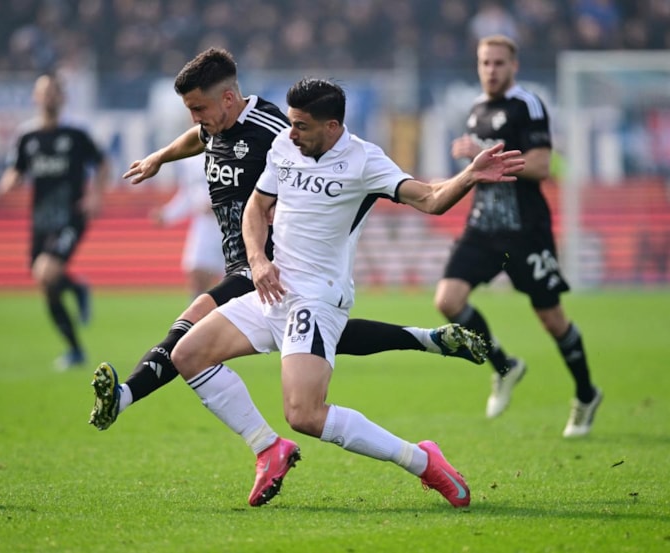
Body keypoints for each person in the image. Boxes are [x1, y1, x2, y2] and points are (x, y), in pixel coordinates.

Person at [167, 77, 525, 508]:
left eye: (302, 126)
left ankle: (424, 461)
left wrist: (469, 175)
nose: (291, 133)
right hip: (273, 290)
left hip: (316, 299)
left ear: (332, 126)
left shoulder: (364, 161)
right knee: (187, 355)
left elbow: (431, 198)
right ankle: (267, 447)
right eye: (291, 123)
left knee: (304, 414)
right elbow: (256, 208)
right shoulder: (283, 147)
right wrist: (258, 261)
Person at [88, 48, 488, 432]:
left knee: (188, 331)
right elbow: (199, 138)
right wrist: (160, 156)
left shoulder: (279, 132)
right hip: (244, 258)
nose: (195, 118)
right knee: (320, 336)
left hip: (271, 263)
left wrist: (300, 225)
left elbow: (318, 168)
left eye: (198, 108)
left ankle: (125, 397)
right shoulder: (215, 126)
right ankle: (425, 339)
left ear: (227, 98)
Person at [433, 35, 603, 437]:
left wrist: (483, 154)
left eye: (499, 63)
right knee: (448, 300)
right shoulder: (476, 110)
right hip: (482, 228)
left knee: (551, 319)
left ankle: (586, 393)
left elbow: (542, 166)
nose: (491, 70)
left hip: (525, 232)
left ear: (514, 66)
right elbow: (477, 173)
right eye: (485, 63)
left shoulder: (528, 105)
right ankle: (504, 366)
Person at [0, 73, 110, 370]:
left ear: (62, 97)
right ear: (35, 97)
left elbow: (102, 163)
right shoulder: (27, 136)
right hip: (41, 218)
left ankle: (74, 291)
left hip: (71, 215)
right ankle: (75, 346)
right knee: (45, 282)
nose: (48, 97)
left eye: (53, 91)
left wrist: (95, 196)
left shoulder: (76, 133)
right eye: (43, 91)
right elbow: (16, 168)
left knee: (46, 271)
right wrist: (9, 180)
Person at [151, 153, 224, 298]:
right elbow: (187, 195)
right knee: (197, 274)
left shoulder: (235, 150)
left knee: (235, 281)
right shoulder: (190, 161)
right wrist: (167, 214)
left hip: (234, 224)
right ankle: (196, 312)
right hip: (204, 226)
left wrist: (221, 205)